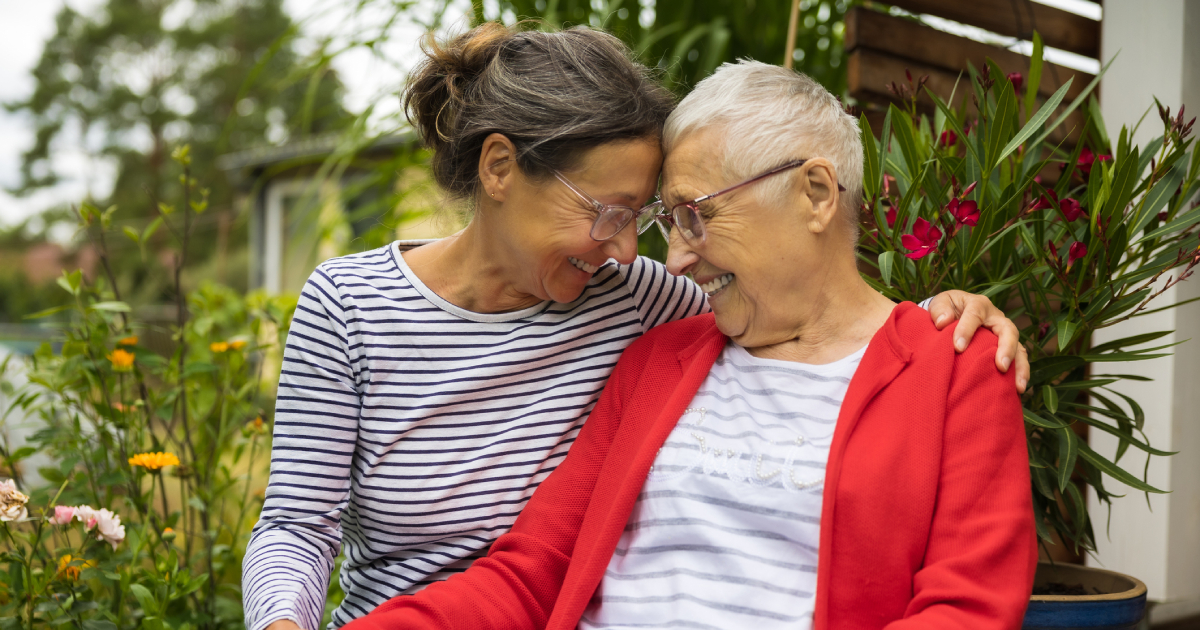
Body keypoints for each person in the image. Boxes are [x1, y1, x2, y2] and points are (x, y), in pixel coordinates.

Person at [242, 25, 1031, 630]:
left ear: (816, 193)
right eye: (651, 219)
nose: (661, 255)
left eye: (687, 216)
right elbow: (528, 569)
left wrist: (946, 315)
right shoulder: (660, 347)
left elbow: (965, 604)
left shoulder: (950, 365)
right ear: (498, 169)